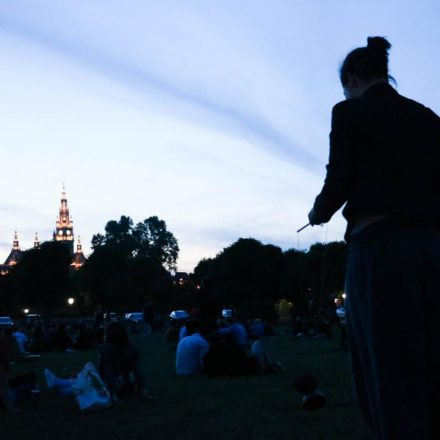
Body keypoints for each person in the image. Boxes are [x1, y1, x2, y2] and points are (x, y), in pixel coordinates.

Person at [308, 36, 440, 439]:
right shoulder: (427, 117)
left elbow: (339, 177)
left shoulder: (349, 112)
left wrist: (318, 211)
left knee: (387, 366)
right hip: (432, 246)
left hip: (380, 249)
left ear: (350, 78)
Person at [98, 322, 152, 402]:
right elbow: (138, 372)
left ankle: (114, 394)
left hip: (109, 388)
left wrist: (113, 394)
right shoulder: (132, 348)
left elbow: (106, 372)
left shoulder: (105, 349)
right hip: (128, 387)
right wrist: (143, 391)